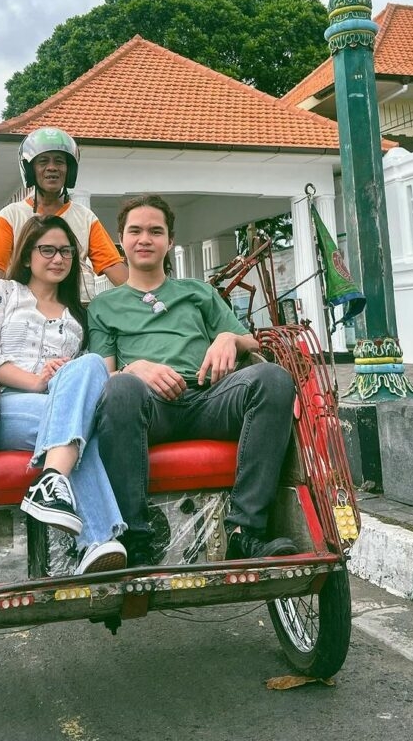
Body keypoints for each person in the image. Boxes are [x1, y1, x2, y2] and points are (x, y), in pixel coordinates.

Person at [89, 195, 297, 568]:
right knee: (119, 389)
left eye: (156, 231)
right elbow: (101, 378)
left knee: (273, 378)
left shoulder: (198, 292)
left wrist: (227, 338)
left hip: (208, 398)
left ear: (169, 241)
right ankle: (134, 542)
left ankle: (244, 532)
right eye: (135, 231)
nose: (145, 239)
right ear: (122, 239)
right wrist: (134, 368)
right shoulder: (105, 306)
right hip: (147, 410)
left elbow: (249, 341)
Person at [0, 214, 127, 575]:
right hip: (6, 404)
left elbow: (84, 383)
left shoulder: (78, 317)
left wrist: (64, 373)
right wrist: (36, 381)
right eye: (48, 250)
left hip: (61, 403)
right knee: (77, 433)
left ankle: (53, 482)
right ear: (27, 256)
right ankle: (100, 540)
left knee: (89, 366)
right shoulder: (2, 292)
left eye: (67, 252)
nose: (58, 259)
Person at [0, 127, 127, 301]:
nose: (52, 168)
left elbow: (114, 267)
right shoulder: (10, 216)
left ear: (69, 170)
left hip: (79, 308)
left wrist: (146, 300)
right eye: (43, 162)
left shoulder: (85, 217)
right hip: (25, 311)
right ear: (30, 169)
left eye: (59, 161)